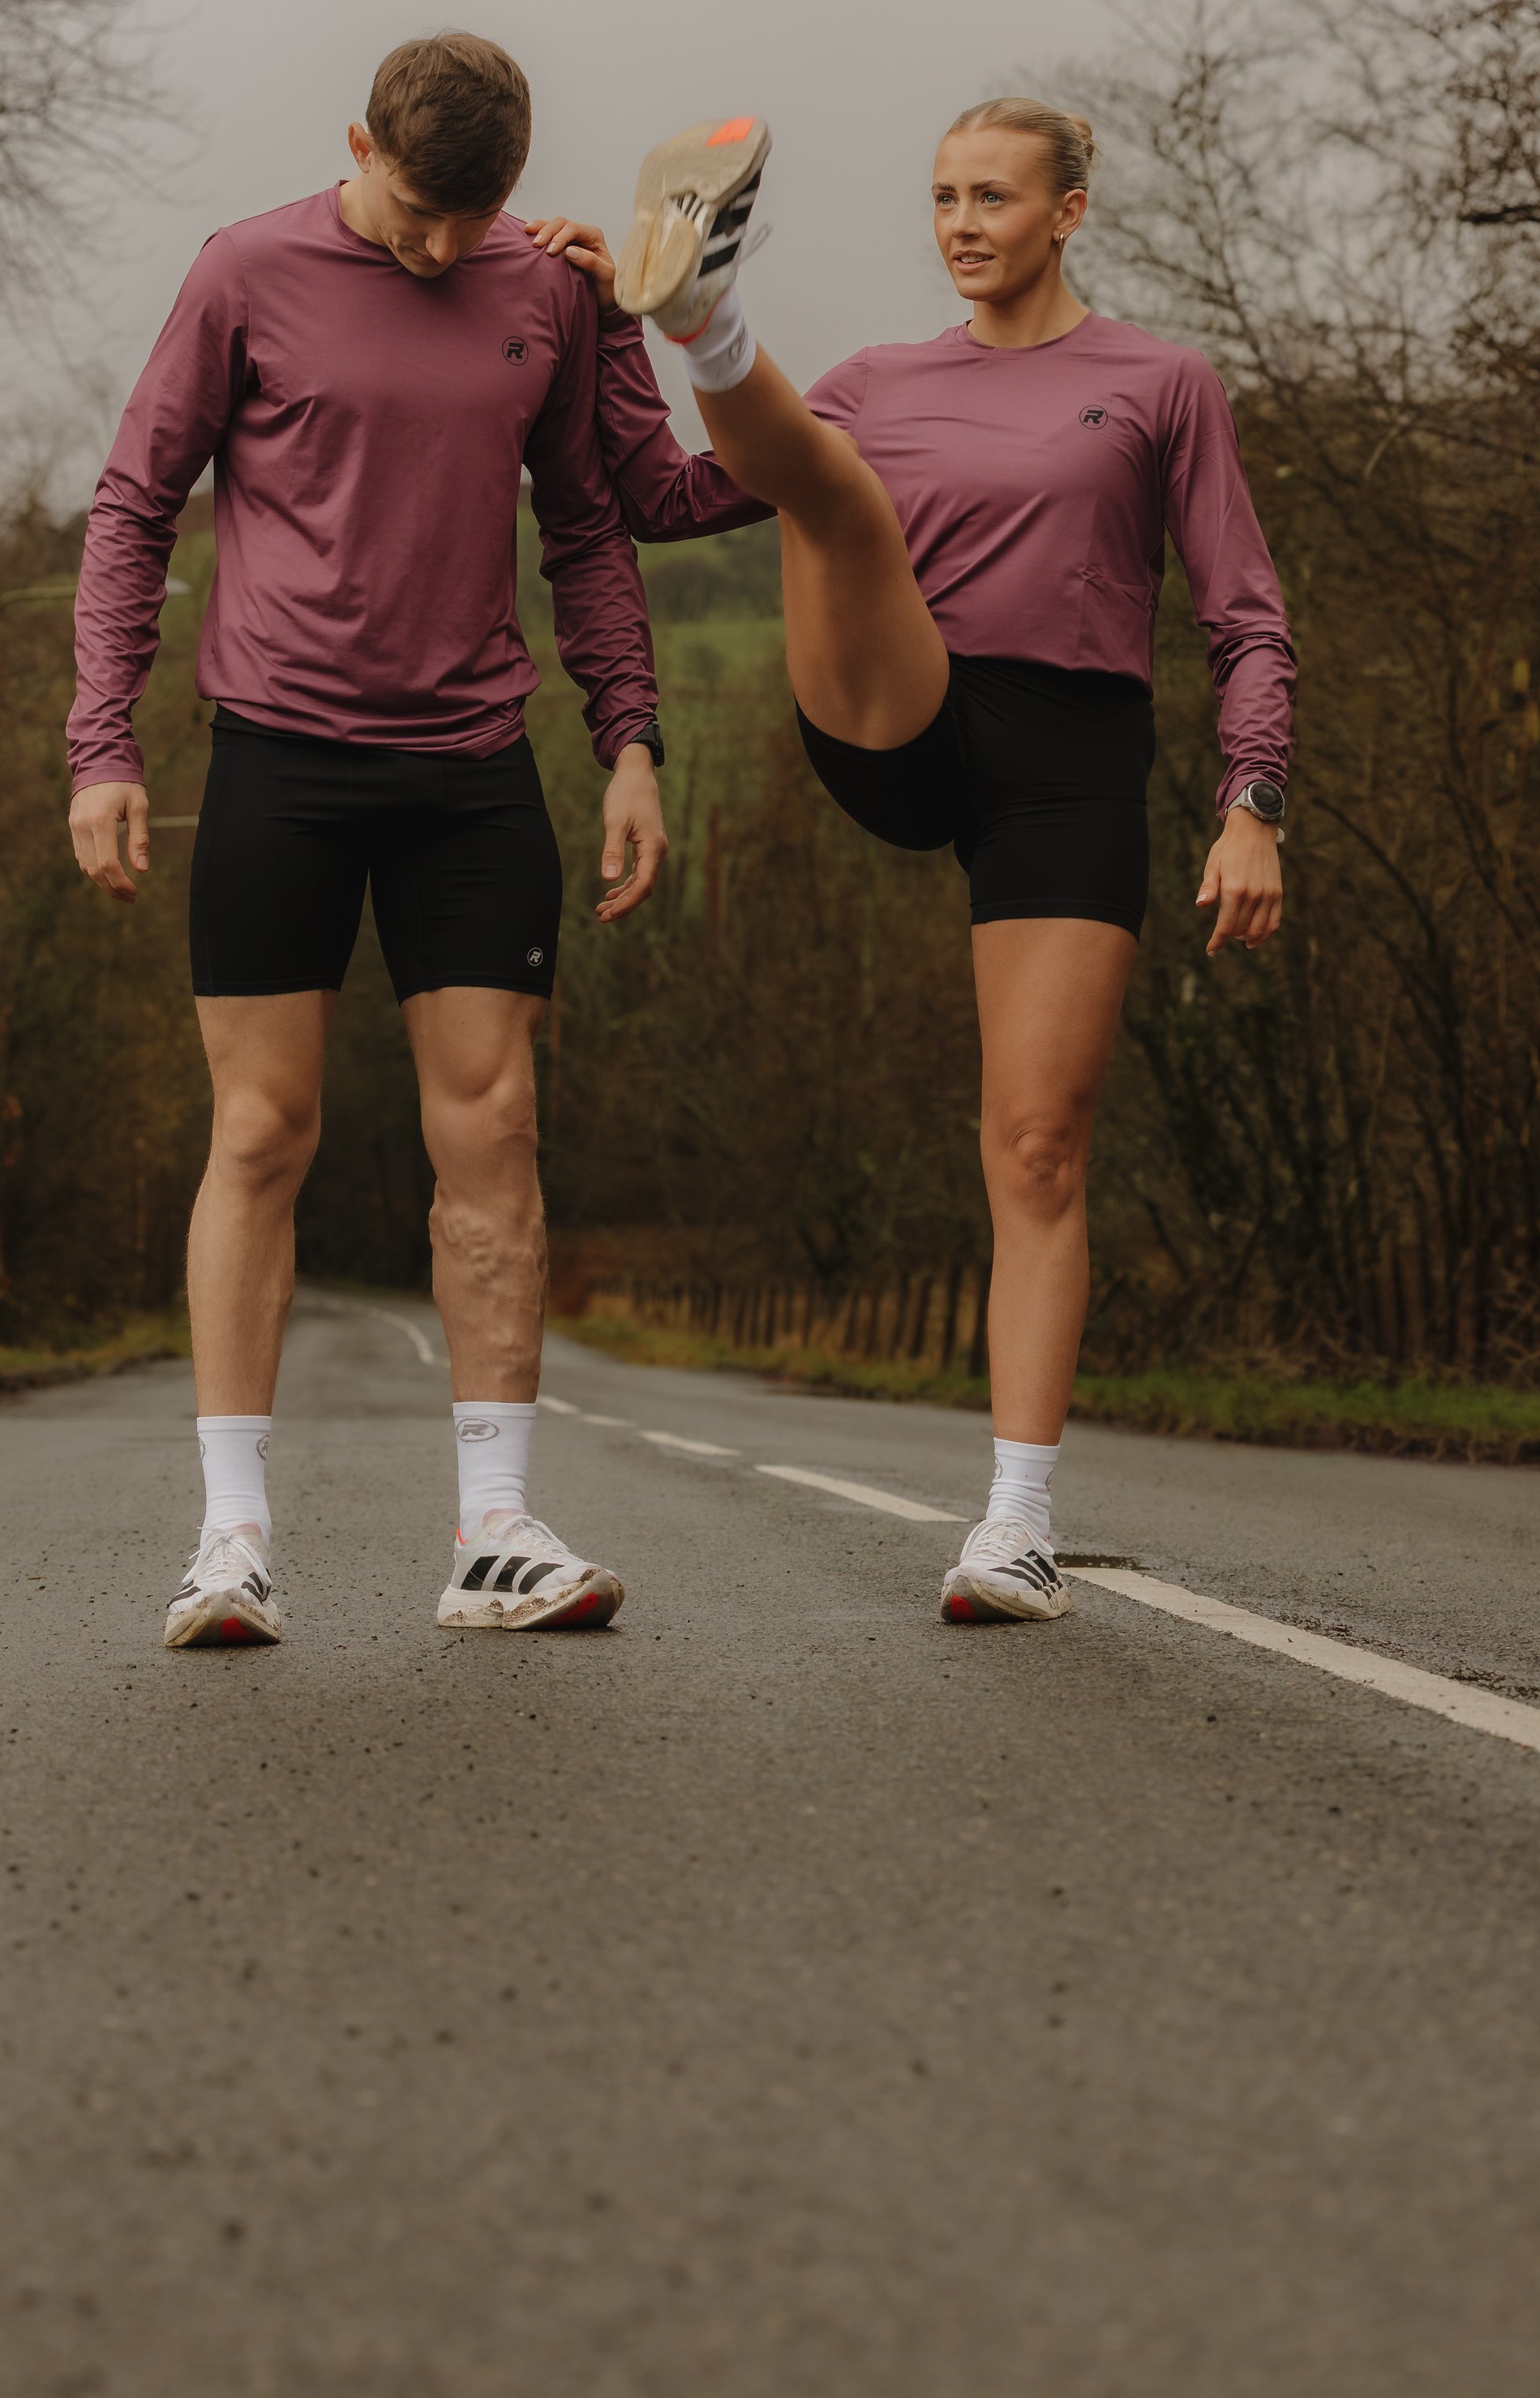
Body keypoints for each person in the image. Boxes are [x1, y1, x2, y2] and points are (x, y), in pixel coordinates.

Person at [524, 102, 1293, 1624]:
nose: (960, 222)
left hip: (1070, 764)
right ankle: (703, 309)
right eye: (942, 196)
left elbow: (1245, 614)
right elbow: (670, 499)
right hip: (899, 702)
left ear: (1070, 210)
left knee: (1036, 1146)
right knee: (837, 484)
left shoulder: (1162, 385)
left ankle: (1014, 1523)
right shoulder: (881, 382)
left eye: (993, 197)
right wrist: (611, 323)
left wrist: (1252, 798)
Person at [67, 32, 671, 1649]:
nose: (435, 248)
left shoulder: (540, 290)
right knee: (261, 1136)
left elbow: (591, 522)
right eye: (411, 212)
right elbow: (133, 507)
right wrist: (100, 745)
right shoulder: (244, 271)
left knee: (495, 1129)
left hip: (471, 770)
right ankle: (232, 1542)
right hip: (278, 760)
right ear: (355, 142)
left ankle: (493, 1530)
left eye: (467, 220)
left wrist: (629, 737)